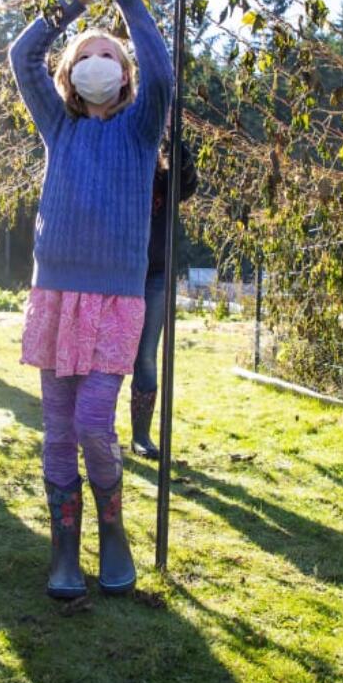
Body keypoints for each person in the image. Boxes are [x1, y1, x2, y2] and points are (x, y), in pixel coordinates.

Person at [8, 0, 172, 599]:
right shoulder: (61, 127)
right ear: (71, 77)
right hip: (56, 294)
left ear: (124, 75)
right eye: (84, 56)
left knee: (94, 422)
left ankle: (114, 531)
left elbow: (161, 69)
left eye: (108, 55)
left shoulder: (139, 129)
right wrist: (72, 4)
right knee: (56, 428)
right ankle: (65, 551)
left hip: (115, 298)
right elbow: (23, 58)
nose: (95, 62)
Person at [129, 142, 198, 459]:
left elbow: (187, 186)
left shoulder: (166, 169)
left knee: (145, 355)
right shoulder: (124, 159)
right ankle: (95, 429)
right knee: (106, 352)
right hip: (120, 272)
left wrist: (175, 144)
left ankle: (141, 435)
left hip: (156, 273)